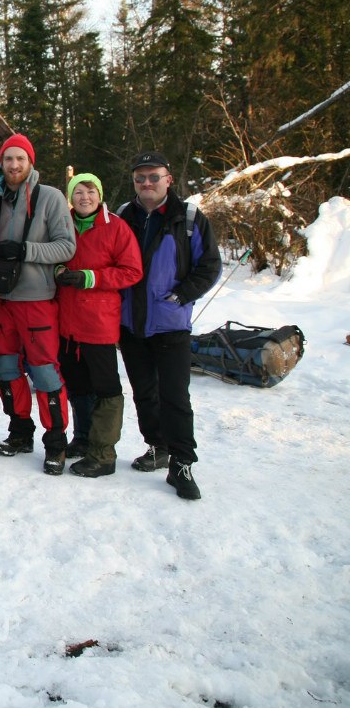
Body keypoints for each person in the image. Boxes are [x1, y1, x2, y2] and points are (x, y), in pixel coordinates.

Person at [118, 151, 221, 499]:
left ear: (168, 179)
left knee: (175, 395)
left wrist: (182, 295)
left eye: (153, 177)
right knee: (144, 391)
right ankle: (157, 446)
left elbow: (209, 265)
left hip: (170, 323)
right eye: (140, 178)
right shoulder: (122, 216)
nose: (147, 183)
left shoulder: (188, 217)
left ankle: (181, 462)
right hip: (131, 323)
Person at [0, 134, 76, 474]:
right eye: (8, 159)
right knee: (7, 371)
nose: (13, 165)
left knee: (44, 371)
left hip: (36, 299)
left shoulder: (50, 198)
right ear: (1, 162)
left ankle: (55, 441)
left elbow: (67, 247)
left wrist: (27, 251)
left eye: (20, 159)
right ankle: (20, 431)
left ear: (30, 162)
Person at [53, 173, 143, 476]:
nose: (84, 197)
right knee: (78, 384)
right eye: (78, 192)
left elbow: (131, 271)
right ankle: (83, 439)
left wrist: (91, 277)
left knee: (105, 388)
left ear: (100, 194)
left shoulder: (115, 227)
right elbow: (51, 254)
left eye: (90, 191)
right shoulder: (62, 224)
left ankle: (103, 454)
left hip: (99, 322)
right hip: (67, 323)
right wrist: (57, 269)